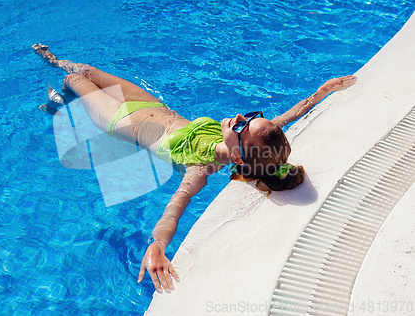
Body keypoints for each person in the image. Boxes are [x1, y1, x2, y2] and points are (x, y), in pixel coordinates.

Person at [32, 43, 357, 293]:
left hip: (119, 121)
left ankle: (62, 102)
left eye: (243, 126)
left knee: (72, 77)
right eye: (249, 116)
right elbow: (291, 115)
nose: (240, 118)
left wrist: (157, 246)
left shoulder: (199, 168)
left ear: (239, 158)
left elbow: (174, 209)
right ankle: (63, 98)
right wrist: (323, 91)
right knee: (89, 71)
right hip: (153, 107)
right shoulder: (246, 142)